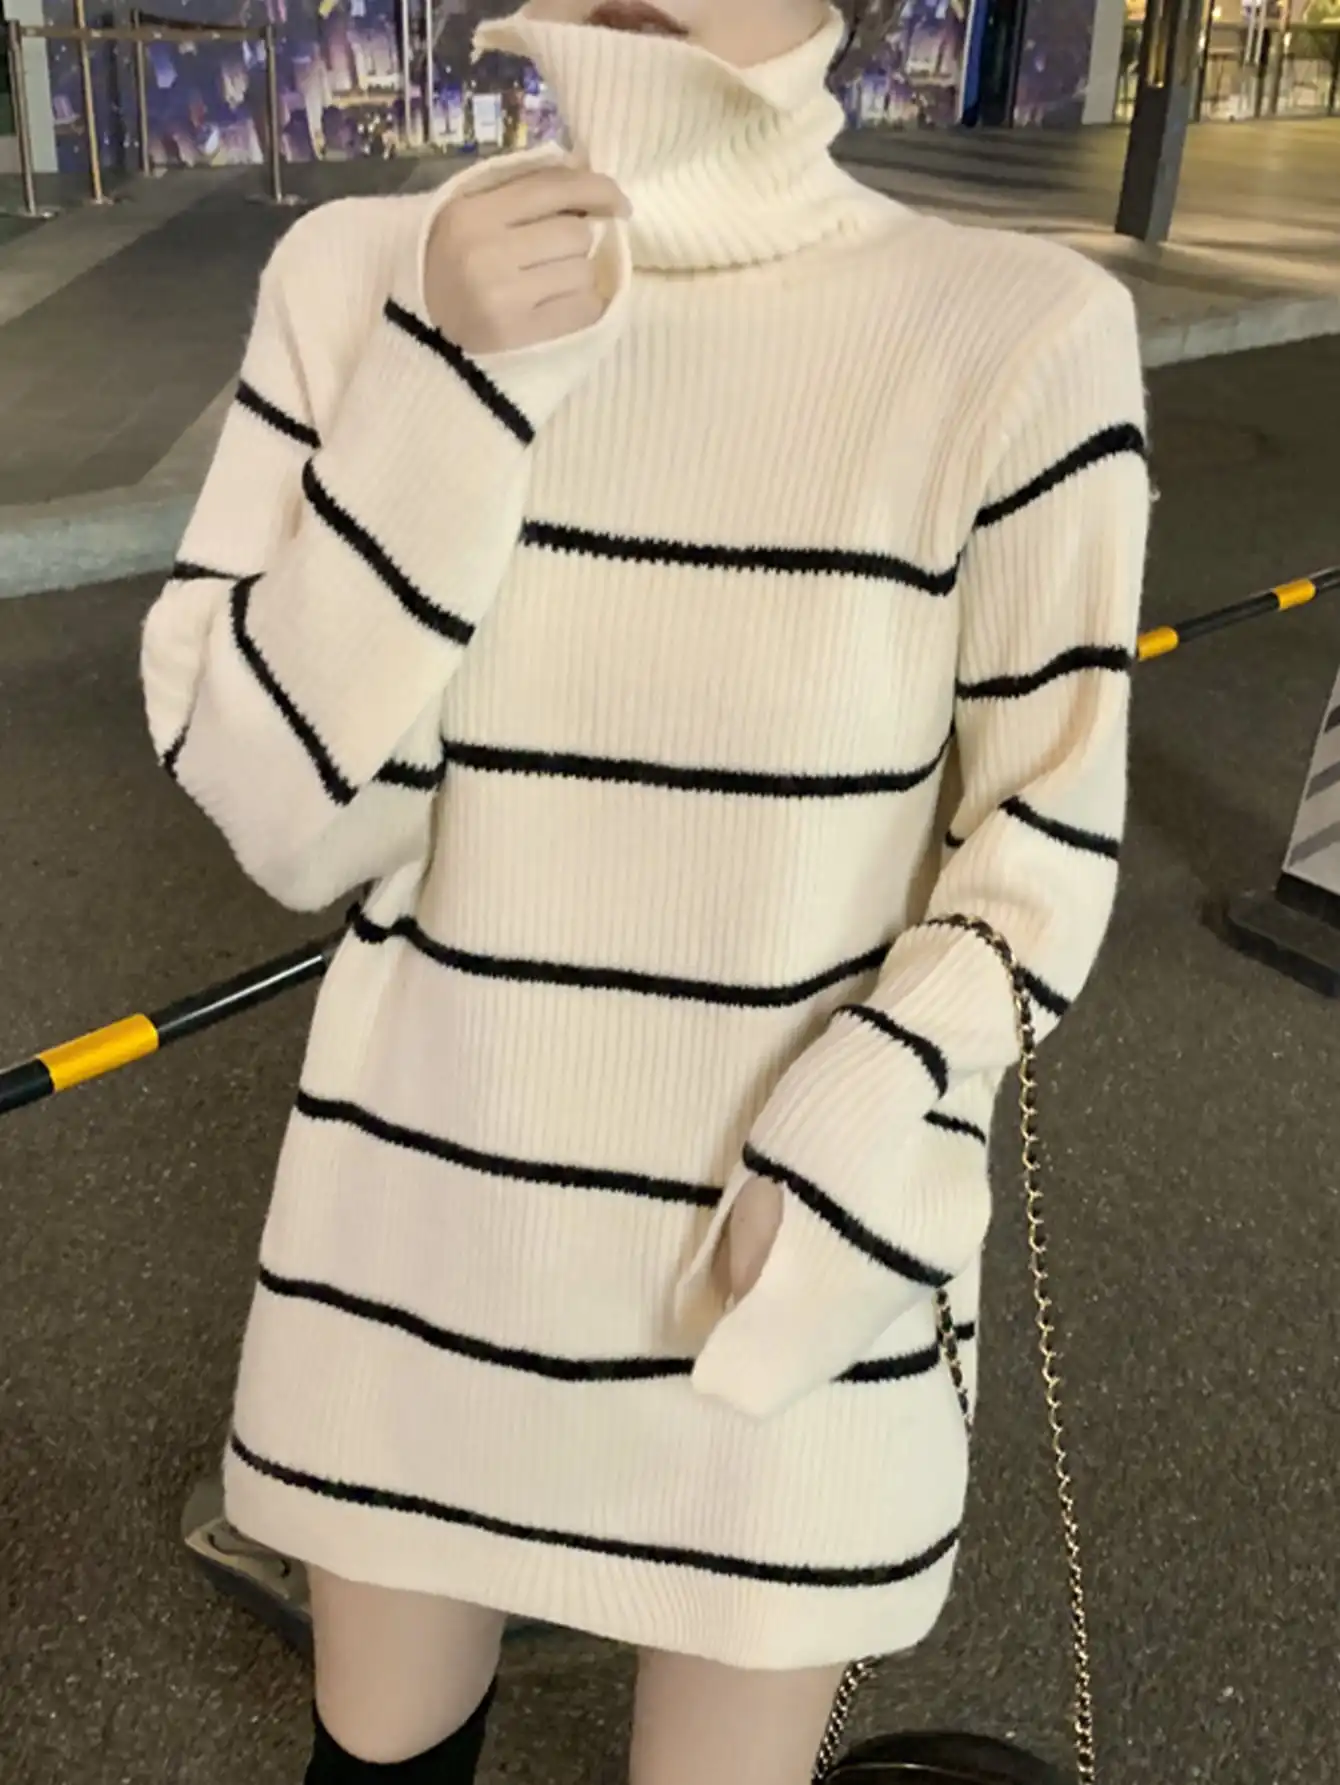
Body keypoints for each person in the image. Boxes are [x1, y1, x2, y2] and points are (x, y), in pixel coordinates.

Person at [139, 1, 1151, 1780]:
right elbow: (290, 822)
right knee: (378, 1762)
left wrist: (872, 1104)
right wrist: (450, 392)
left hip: (788, 1257)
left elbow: (1045, 834)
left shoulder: (1015, 330)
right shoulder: (358, 279)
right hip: (422, 1252)